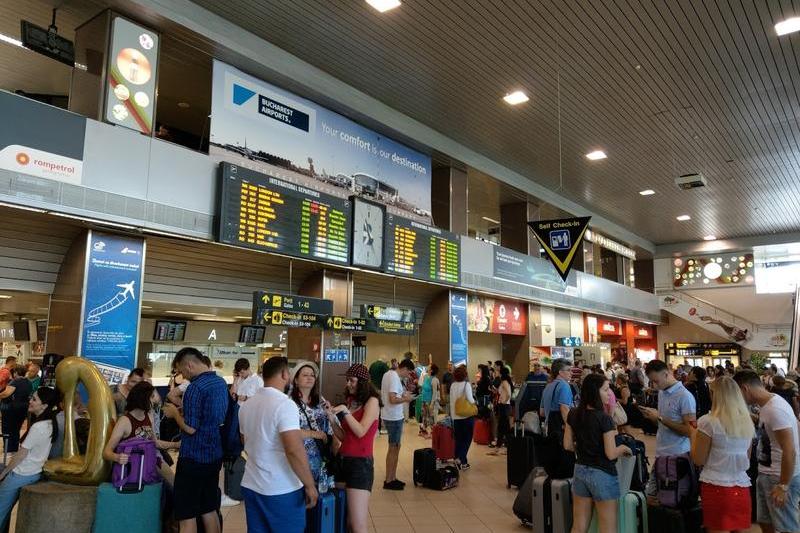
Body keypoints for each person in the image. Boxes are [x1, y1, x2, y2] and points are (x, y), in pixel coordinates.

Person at [237, 356, 317, 533]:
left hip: (252, 484)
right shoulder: (285, 405)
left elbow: (245, 441)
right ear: (284, 374)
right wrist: (310, 485)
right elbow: (293, 449)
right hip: (281, 489)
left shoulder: (246, 406)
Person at [162, 347, 229, 533]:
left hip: (193, 457)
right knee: (208, 508)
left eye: (182, 371)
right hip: (214, 455)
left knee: (186, 513)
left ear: (189, 365)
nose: (183, 376)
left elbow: (191, 428)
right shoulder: (220, 382)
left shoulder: (195, 388)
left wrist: (175, 413)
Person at [564, 374, 632, 533]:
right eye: (606, 389)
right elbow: (610, 453)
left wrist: (584, 448)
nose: (610, 394)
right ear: (595, 392)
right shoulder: (605, 419)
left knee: (579, 525)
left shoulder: (573, 414)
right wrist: (623, 449)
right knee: (607, 528)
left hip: (580, 471)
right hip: (603, 474)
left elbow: (567, 445)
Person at [734, 370, 800, 533]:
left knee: (786, 526)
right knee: (765, 522)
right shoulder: (767, 406)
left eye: (736, 394)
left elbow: (790, 450)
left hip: (779, 476)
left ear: (744, 388)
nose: (736, 399)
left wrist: (783, 485)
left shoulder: (775, 409)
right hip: (767, 473)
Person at [689, 376, 754, 533]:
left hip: (716, 485)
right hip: (742, 486)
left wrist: (692, 433)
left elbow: (698, 459)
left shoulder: (708, 422)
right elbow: (748, 456)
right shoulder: (747, 421)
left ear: (714, 394)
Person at [328, 364, 380, 533]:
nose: (348, 384)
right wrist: (331, 418)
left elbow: (361, 431)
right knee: (345, 521)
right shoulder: (351, 401)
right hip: (342, 461)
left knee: (357, 524)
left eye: (351, 380)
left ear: (362, 382)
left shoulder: (372, 402)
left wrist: (343, 411)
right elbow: (345, 436)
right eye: (347, 380)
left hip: (360, 465)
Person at [639, 359, 696, 505]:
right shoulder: (662, 393)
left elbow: (689, 431)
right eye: (651, 382)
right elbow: (662, 425)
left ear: (666, 374)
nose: (654, 385)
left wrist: (660, 418)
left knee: (673, 499)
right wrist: (653, 418)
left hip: (677, 457)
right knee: (652, 498)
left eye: (656, 381)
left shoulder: (685, 397)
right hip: (660, 454)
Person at [0, 387, 59, 529]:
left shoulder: (39, 426)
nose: (30, 401)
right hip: (34, 472)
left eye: (34, 399)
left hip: (21, 473)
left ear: (44, 405)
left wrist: (4, 472)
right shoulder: (50, 423)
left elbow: (21, 455)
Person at [103, 381, 179, 484]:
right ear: (143, 398)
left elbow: (155, 443)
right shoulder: (124, 421)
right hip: (133, 464)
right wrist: (117, 457)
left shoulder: (149, 416)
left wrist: (176, 444)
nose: (155, 400)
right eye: (151, 397)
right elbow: (106, 452)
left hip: (150, 459)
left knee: (172, 482)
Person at [289, 361, 332, 485]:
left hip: (320, 458)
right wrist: (315, 434)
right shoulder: (289, 403)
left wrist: (330, 414)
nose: (309, 378)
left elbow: (329, 427)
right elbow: (288, 432)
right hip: (300, 458)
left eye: (312, 375)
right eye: (305, 375)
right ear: (296, 380)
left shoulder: (320, 401)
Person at [380, 358, 415, 490]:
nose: (409, 375)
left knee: (396, 446)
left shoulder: (387, 374)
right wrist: (406, 398)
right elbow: (393, 399)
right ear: (404, 368)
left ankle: (392, 477)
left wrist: (403, 394)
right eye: (409, 372)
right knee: (393, 448)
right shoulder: (395, 377)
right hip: (393, 417)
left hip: (389, 414)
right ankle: (389, 480)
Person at [0, 365, 33, 452]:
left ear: (15, 373)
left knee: (7, 430)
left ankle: (8, 450)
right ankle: (14, 449)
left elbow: (6, 393)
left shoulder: (16, 381)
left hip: (11, 409)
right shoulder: (29, 382)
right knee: (16, 429)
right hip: (23, 408)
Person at [449, 365, 476, 470]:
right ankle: (462, 460)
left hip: (456, 417)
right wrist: (475, 403)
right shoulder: (466, 385)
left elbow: (451, 402)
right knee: (467, 438)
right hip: (466, 416)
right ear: (465, 375)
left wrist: (452, 416)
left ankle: (458, 459)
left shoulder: (453, 385)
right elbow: (470, 399)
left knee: (458, 439)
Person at [541, 359, 575, 438]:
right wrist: (570, 429)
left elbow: (542, 412)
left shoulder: (548, 387)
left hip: (550, 429)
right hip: (561, 430)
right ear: (560, 372)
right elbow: (564, 409)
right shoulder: (564, 385)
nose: (571, 373)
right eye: (569, 370)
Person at [488, 366, 513, 456]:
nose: (496, 373)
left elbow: (509, 394)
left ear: (502, 373)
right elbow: (503, 393)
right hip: (504, 406)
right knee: (504, 428)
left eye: (498, 372)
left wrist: (504, 401)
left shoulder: (504, 382)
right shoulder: (504, 382)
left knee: (503, 428)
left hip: (504, 407)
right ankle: (500, 448)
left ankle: (499, 449)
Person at [419, 364, 440, 438]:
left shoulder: (434, 380)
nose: (428, 367)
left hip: (430, 401)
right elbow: (423, 387)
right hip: (424, 400)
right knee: (424, 416)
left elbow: (435, 393)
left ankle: (433, 433)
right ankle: (424, 430)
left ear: (431, 370)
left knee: (431, 418)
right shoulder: (425, 377)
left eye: (429, 367)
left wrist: (432, 404)